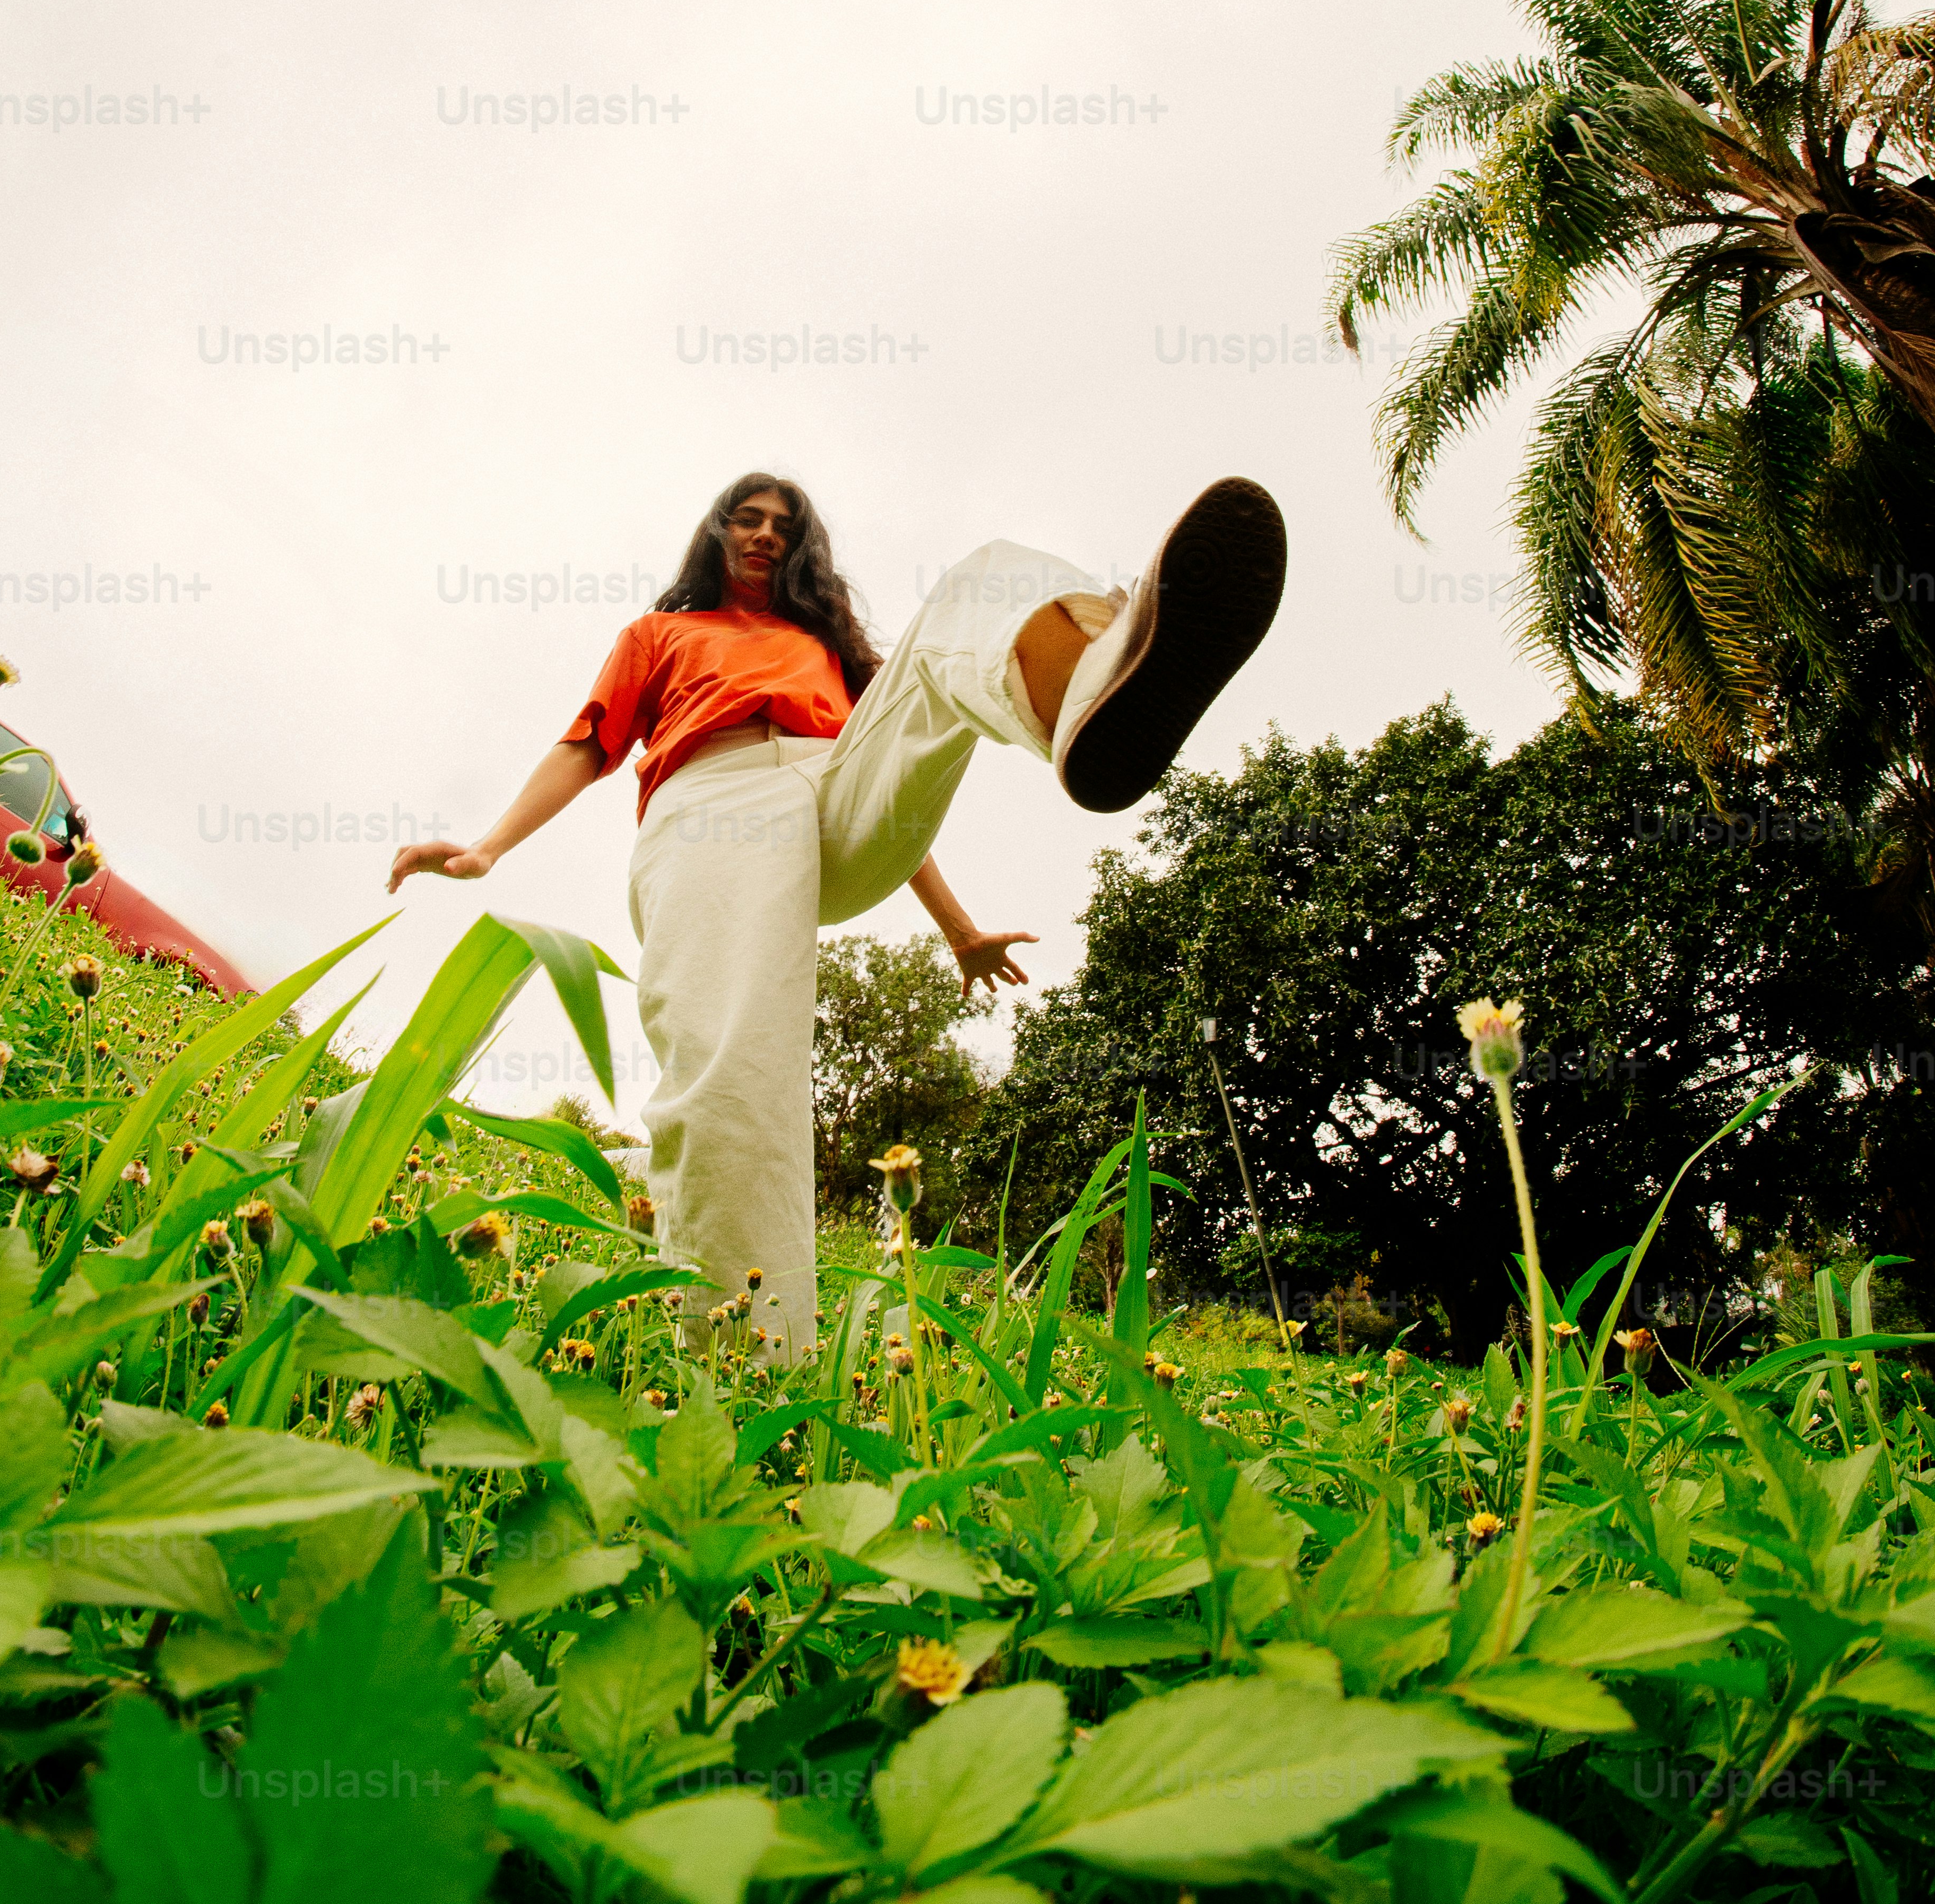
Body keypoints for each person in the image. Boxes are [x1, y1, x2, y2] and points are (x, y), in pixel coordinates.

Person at [390, 472, 1285, 1364]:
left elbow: (893, 783)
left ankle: (1092, 679)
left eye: (786, 525)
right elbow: (587, 743)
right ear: (717, 533)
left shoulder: (824, 648)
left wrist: (957, 928)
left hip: (831, 785)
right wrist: (489, 847)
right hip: (715, 799)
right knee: (736, 1067)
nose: (767, 534)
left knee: (978, 577)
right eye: (748, 518)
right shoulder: (661, 635)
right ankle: (746, 1365)